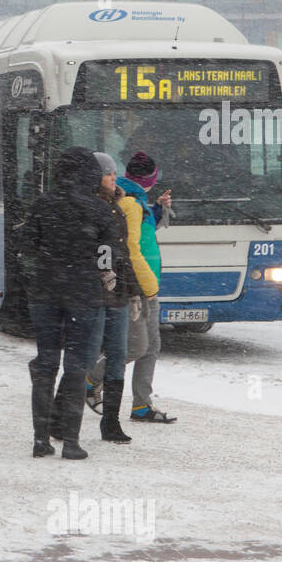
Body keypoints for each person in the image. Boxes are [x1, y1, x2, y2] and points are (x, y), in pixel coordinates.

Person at [19, 148, 119, 460]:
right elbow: (108, 257)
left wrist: (46, 266)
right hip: (84, 295)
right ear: (90, 174)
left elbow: (25, 245)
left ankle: (40, 440)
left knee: (46, 363)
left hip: (45, 293)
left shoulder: (42, 204)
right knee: (76, 367)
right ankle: (71, 442)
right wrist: (106, 283)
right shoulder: (100, 210)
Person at [111, 150, 176, 424]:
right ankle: (92, 378)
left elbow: (143, 233)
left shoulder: (136, 199)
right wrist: (146, 286)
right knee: (138, 346)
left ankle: (141, 405)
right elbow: (131, 247)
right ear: (151, 179)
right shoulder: (129, 201)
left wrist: (158, 208)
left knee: (150, 346)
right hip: (137, 284)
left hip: (144, 281)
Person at [77, 153, 135, 444]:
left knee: (118, 355)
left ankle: (110, 421)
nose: (114, 178)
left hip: (119, 292)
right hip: (97, 293)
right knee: (87, 356)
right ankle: (64, 414)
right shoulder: (91, 207)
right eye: (107, 174)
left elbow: (124, 253)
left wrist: (132, 292)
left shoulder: (116, 206)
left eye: (115, 173)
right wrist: (102, 272)